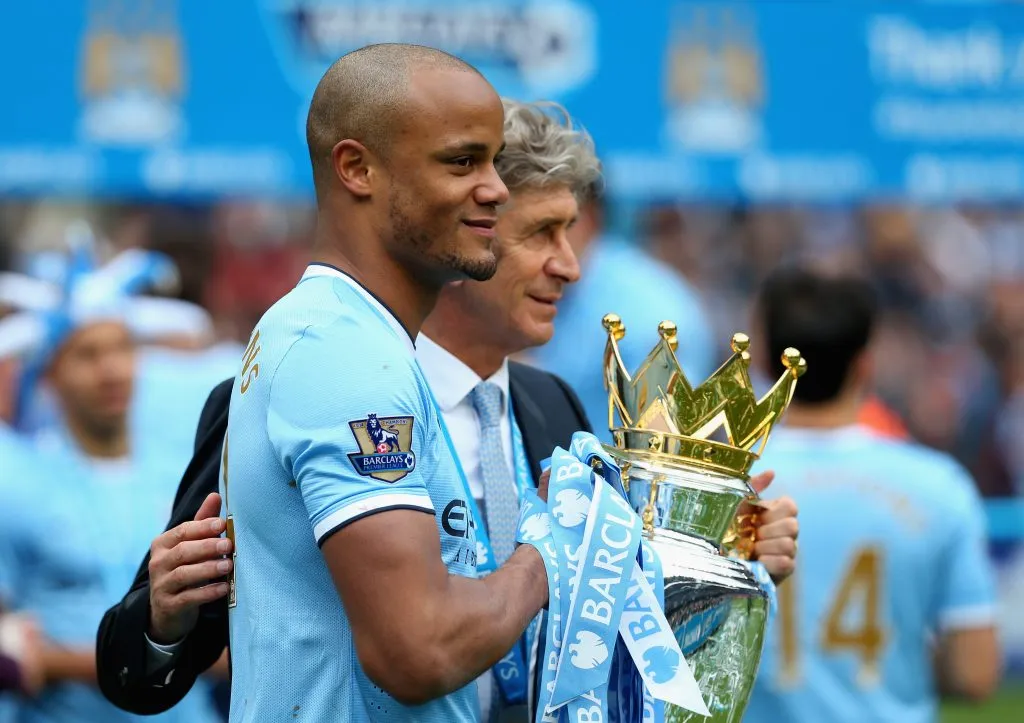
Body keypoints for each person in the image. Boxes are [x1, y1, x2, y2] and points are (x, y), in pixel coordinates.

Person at [96, 86, 799, 721]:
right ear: (468, 237)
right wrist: (163, 618)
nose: (570, 266)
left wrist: (719, 555)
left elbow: (609, 631)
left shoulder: (552, 406)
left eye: (575, 233)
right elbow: (134, 677)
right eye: (542, 234)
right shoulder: (295, 386)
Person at [745, 268, 1001, 723]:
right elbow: (974, 673)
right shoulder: (940, 487)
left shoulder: (732, 481)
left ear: (765, 360)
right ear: (865, 364)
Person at [0, 253, 223, 723]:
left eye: (122, 349)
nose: (111, 370)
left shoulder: (182, 474)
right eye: (88, 354)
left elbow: (227, 627)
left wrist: (61, 660)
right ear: (51, 372)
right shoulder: (19, 483)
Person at [526, 188, 716, 443]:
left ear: (590, 218)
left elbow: (664, 443)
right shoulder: (555, 289)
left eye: (552, 226)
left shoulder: (649, 311)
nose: (539, 246)